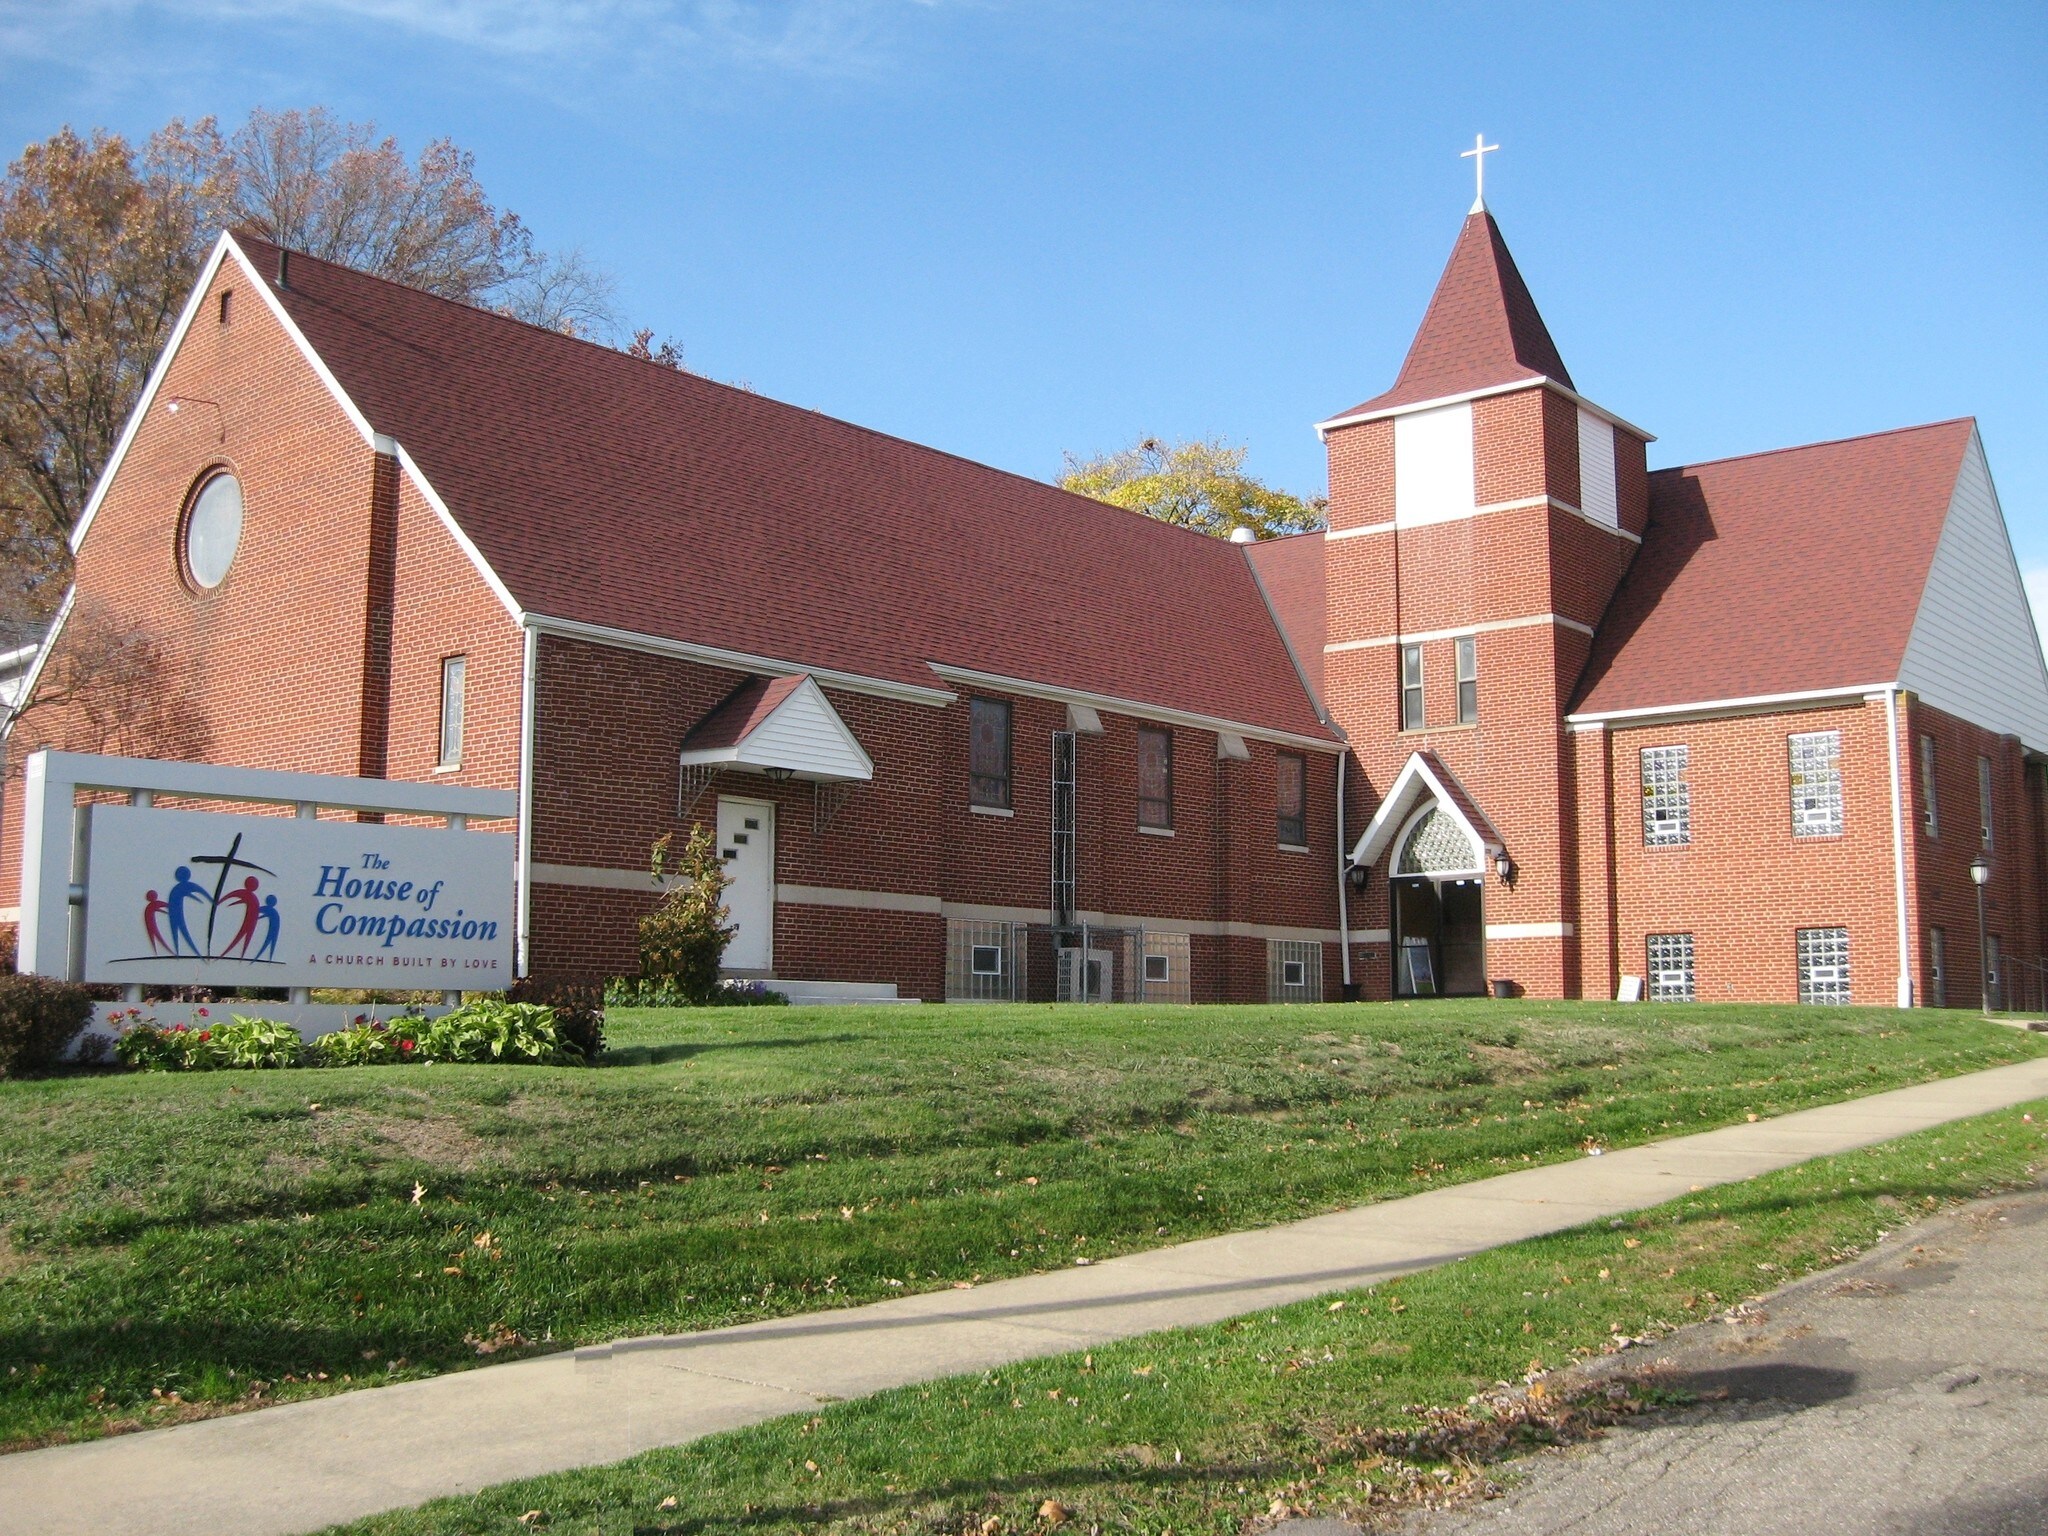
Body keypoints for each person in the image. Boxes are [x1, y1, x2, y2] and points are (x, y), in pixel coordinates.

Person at [166, 866, 208, 956]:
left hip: (174, 913)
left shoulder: (175, 889)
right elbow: (203, 893)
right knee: (179, 930)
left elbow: (203, 894)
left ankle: (178, 952)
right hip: (176, 913)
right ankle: (178, 952)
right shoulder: (180, 888)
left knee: (178, 931)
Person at [219, 876, 262, 958]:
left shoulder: (251, 898)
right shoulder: (253, 899)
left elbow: (228, 897)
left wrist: (219, 902)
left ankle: (239, 953)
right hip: (249, 920)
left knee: (244, 935)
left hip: (249, 920)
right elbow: (228, 897)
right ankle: (239, 953)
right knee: (244, 935)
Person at [253, 894, 282, 963]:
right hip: (271, 930)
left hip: (271, 930)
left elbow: (261, 914)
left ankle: (268, 957)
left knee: (269, 942)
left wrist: (257, 918)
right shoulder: (274, 912)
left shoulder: (269, 910)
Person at [142, 890, 171, 955]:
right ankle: (158, 950)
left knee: (155, 936)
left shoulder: (150, 906)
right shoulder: (152, 905)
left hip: (151, 923)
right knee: (155, 935)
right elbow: (167, 906)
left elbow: (167, 906)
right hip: (151, 923)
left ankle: (158, 950)